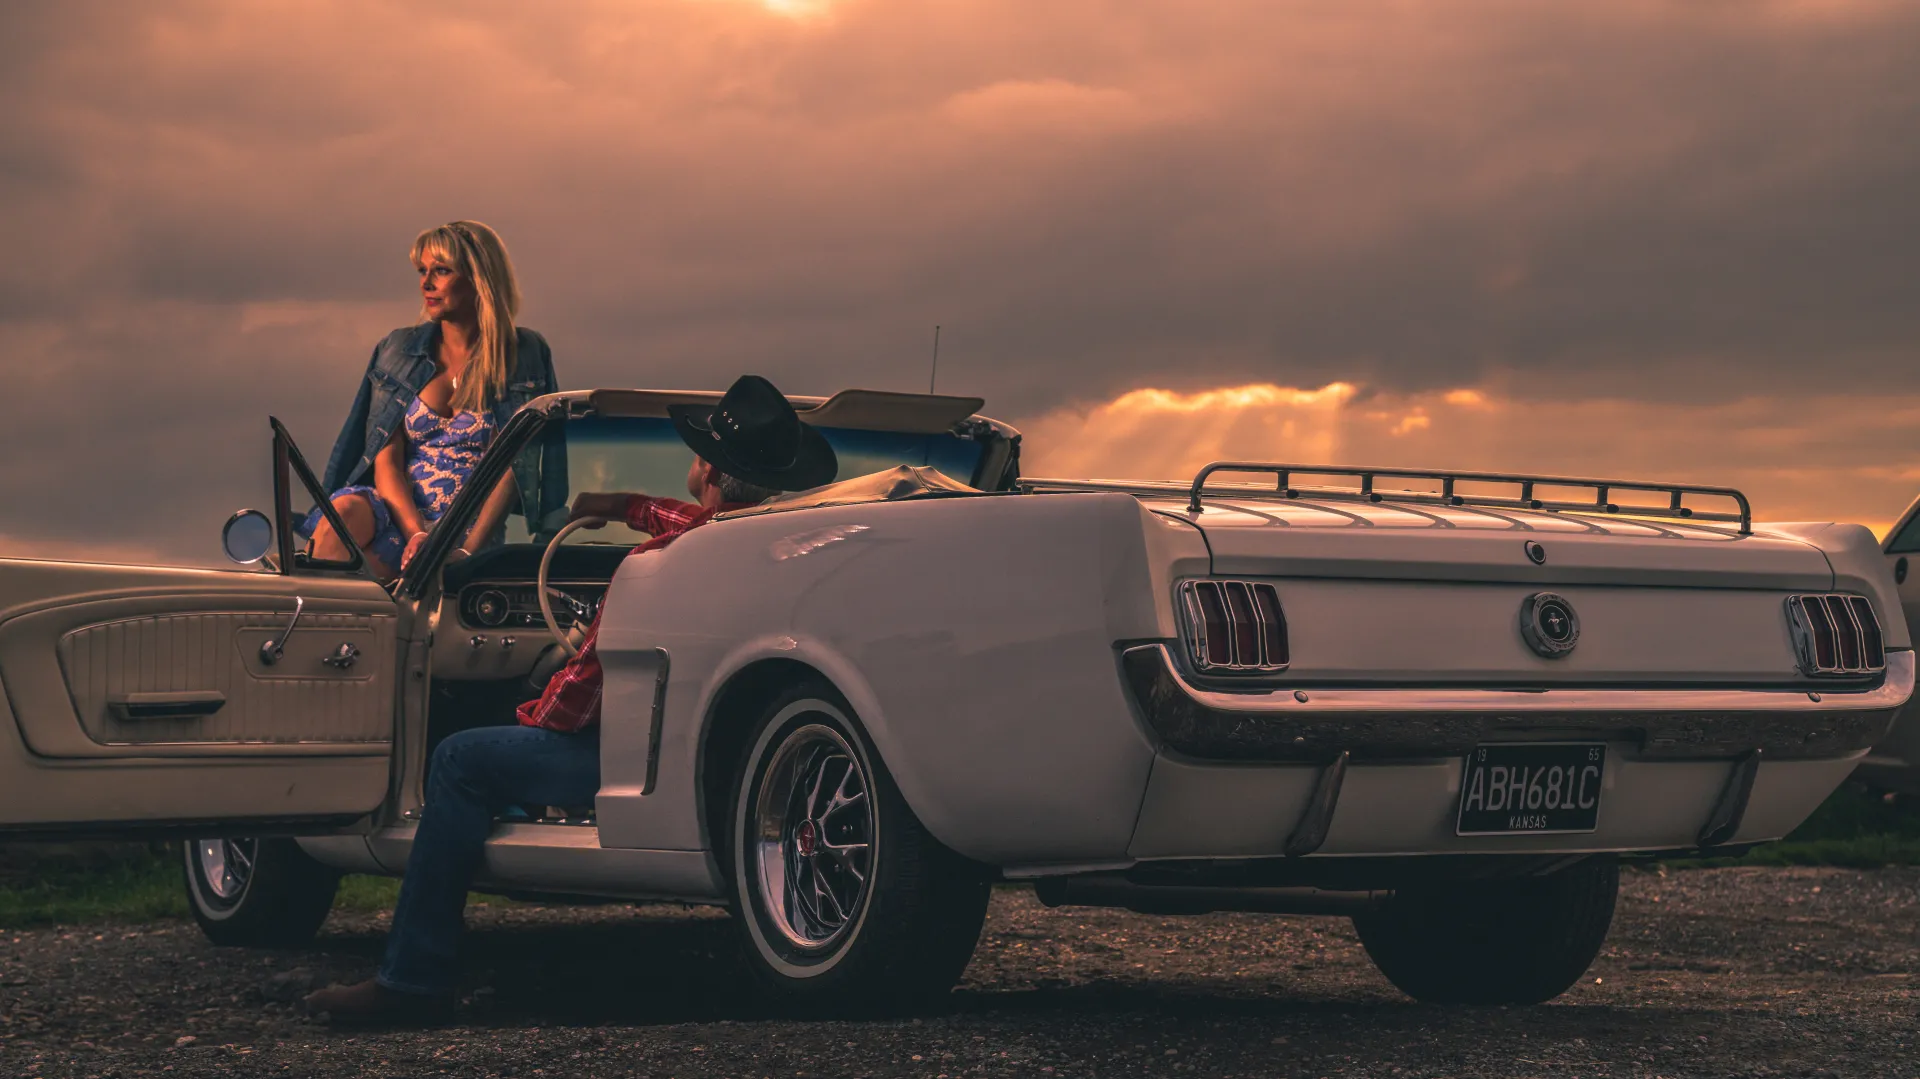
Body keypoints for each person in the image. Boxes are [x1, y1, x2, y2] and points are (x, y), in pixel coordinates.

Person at [304, 375, 838, 1023]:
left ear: (706, 468)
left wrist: (527, 714)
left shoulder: (653, 567)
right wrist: (623, 504)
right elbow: (694, 519)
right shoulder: (773, 551)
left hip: (615, 761)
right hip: (703, 758)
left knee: (458, 759)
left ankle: (413, 981)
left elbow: (574, 705)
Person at [303, 220, 565, 579]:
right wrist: (417, 534)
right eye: (422, 271)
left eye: (441, 271)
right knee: (343, 512)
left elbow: (512, 469)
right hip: (398, 517)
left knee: (390, 602)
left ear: (479, 277)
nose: (426, 283)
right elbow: (387, 460)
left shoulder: (524, 354)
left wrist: (466, 551)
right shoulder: (397, 349)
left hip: (468, 528)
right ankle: (310, 622)